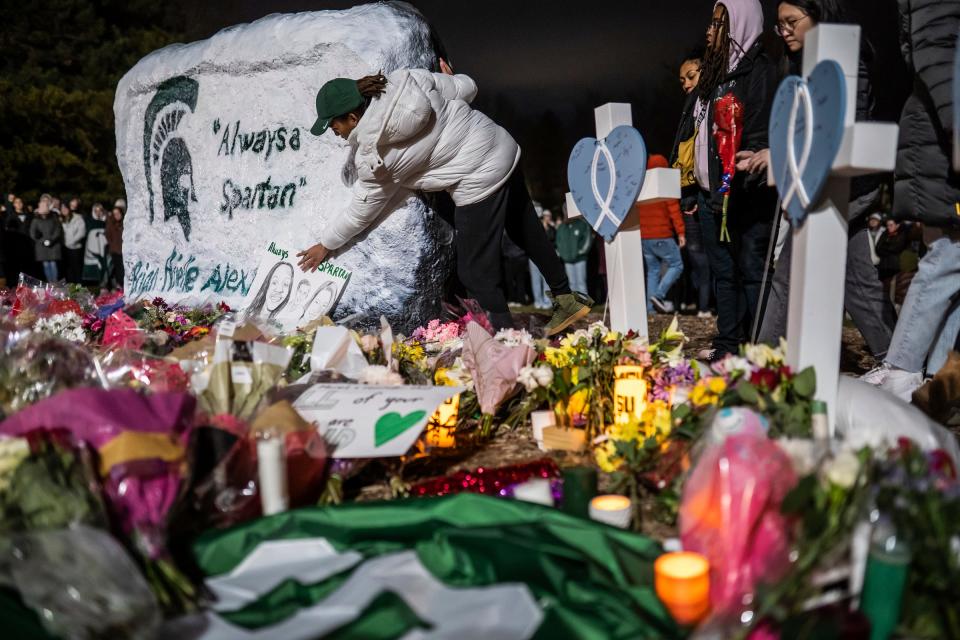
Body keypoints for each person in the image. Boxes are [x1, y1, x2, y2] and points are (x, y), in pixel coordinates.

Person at [295, 67, 591, 335]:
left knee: (475, 272)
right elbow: (467, 88)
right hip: (502, 147)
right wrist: (450, 78)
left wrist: (327, 244)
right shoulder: (406, 80)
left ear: (352, 118)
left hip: (479, 177)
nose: (334, 132)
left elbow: (365, 207)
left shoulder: (376, 157)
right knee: (525, 229)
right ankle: (566, 299)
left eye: (334, 125)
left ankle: (508, 344)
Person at [754, 0, 898, 360]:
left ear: (818, 15)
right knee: (858, 282)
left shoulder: (843, 65)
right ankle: (899, 359)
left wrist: (784, 154)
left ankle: (759, 366)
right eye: (779, 25)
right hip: (835, 187)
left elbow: (833, 134)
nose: (784, 31)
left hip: (844, 187)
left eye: (791, 22)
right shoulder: (807, 66)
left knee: (789, 274)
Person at [863, 0, 960, 401]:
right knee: (949, 255)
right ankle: (903, 370)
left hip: (938, 128)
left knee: (953, 260)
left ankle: (932, 378)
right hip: (943, 129)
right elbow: (937, 52)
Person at [670, 0, 778, 360]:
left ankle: (759, 347)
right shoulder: (712, 77)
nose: (710, 30)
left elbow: (759, 134)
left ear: (741, 25)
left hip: (744, 194)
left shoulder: (758, 73)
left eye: (719, 23)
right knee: (723, 273)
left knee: (750, 270)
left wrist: (738, 178)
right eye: (712, 22)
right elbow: (691, 135)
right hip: (707, 196)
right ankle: (729, 344)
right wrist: (688, 186)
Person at [676, 47, 714, 318]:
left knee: (712, 257)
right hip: (690, 196)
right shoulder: (688, 110)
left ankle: (708, 305)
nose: (686, 84)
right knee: (697, 257)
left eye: (691, 76)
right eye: (682, 80)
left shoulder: (712, 101)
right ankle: (703, 305)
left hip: (710, 192)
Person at [639, 154, 686, 314]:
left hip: (645, 237)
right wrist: (681, 232)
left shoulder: (642, 183)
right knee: (677, 265)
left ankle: (650, 309)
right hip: (662, 234)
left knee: (652, 271)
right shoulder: (665, 183)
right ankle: (658, 296)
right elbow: (673, 209)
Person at [555, 210, 593, 298]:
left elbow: (587, 240)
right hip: (567, 260)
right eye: (565, 212)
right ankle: (576, 306)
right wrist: (563, 254)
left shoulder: (582, 225)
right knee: (572, 283)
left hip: (580, 259)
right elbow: (558, 242)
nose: (567, 214)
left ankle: (584, 305)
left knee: (581, 282)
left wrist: (579, 252)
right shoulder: (561, 227)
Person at [29, 195, 63, 283]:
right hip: (41, 246)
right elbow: (32, 234)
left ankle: (55, 282)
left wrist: (51, 240)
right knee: (46, 265)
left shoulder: (54, 218)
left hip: (53, 245)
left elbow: (58, 230)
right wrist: (42, 241)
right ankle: (49, 282)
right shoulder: (35, 220)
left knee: (53, 264)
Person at [876, 218, 910, 304]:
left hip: (894, 266)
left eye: (891, 225)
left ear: (897, 225)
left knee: (894, 287)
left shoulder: (902, 234)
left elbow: (896, 248)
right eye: (887, 225)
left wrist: (885, 248)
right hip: (883, 266)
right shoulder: (885, 234)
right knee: (883, 286)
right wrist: (888, 248)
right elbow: (878, 248)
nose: (889, 227)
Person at [529, 210, 555, 309]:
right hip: (534, 257)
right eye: (545, 216)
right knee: (535, 280)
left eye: (548, 216)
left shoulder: (552, 229)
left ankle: (547, 302)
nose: (547, 218)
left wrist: (548, 228)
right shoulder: (533, 228)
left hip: (546, 257)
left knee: (546, 280)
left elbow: (552, 239)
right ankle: (538, 301)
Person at [3, 196, 33, 283]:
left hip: (29, 246)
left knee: (28, 268)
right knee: (18, 269)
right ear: (14, 205)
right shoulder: (11, 216)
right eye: (16, 202)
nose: (19, 204)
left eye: (20, 202)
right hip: (16, 247)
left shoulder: (29, 215)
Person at [83, 203, 109, 285]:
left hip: (104, 248)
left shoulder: (106, 221)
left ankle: (104, 282)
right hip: (93, 248)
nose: (98, 213)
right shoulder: (89, 222)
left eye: (100, 211)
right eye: (96, 211)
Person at [61, 206, 86, 283]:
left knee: (76, 268)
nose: (64, 210)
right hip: (65, 247)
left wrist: (72, 241)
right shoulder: (61, 220)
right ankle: (71, 287)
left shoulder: (78, 218)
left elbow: (82, 232)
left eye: (65, 208)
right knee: (68, 269)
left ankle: (78, 286)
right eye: (62, 209)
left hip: (76, 248)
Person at [105, 205, 125, 289]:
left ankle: (124, 285)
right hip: (115, 250)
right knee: (117, 269)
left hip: (124, 250)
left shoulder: (125, 223)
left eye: (118, 213)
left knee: (124, 268)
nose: (116, 215)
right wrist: (113, 244)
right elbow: (108, 235)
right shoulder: (111, 224)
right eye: (114, 214)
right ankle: (119, 285)